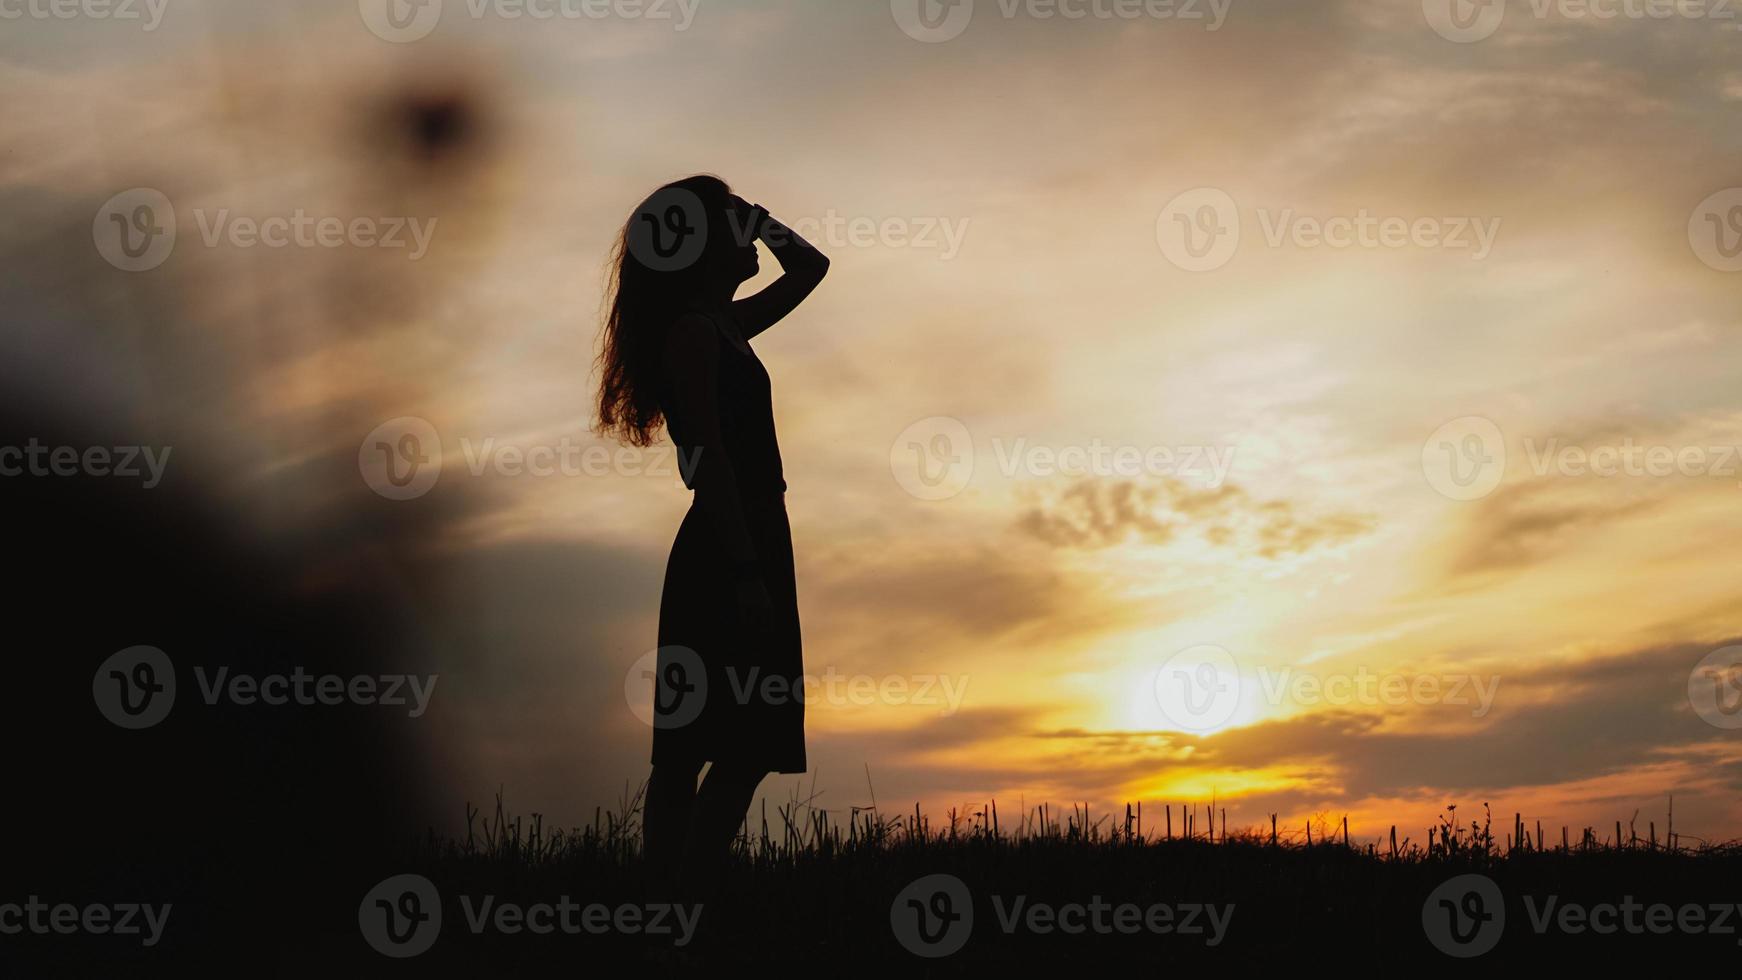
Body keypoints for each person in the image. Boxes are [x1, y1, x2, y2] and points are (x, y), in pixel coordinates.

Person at [595, 174, 829, 910]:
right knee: (690, 748)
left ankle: (683, 904)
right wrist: (746, 571)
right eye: (735, 217)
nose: (748, 227)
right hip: (728, 542)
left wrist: (761, 221)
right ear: (700, 244)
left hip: (758, 532)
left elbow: (813, 269)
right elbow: (710, 461)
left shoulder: (726, 324)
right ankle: (666, 911)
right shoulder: (694, 333)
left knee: (747, 746)